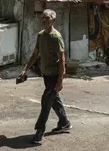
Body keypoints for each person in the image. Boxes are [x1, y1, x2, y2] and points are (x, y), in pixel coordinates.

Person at [20, 9, 71, 144]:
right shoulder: (41, 35)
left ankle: (39, 130)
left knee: (46, 101)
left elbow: (62, 60)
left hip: (54, 75)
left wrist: (60, 80)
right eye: (42, 18)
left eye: (47, 18)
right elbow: (35, 54)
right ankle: (64, 122)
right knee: (54, 100)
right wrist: (25, 69)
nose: (43, 20)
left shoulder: (56, 37)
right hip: (46, 75)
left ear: (53, 20)